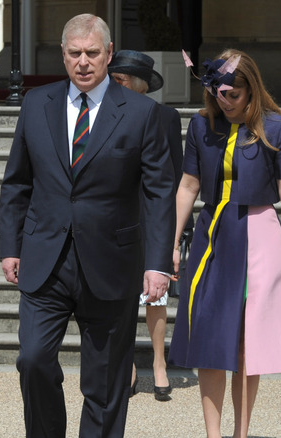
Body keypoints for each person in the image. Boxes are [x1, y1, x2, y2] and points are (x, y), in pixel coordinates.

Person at [0, 14, 176, 437]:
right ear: (63, 54)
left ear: (109, 55)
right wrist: (11, 246)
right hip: (45, 259)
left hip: (112, 262)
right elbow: (17, 181)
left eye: (92, 53)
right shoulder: (36, 104)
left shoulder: (142, 113)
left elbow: (158, 195)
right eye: (74, 53)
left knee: (106, 380)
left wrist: (157, 263)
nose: (83, 62)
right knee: (33, 359)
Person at [167, 49, 281, 438]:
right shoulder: (201, 127)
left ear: (251, 90)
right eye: (219, 92)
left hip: (259, 234)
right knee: (210, 340)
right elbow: (188, 186)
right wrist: (170, 243)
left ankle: (241, 434)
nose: (225, 100)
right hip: (212, 235)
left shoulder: (276, 126)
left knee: (249, 344)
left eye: (233, 93)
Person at [107, 49, 189, 402]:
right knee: (119, 295)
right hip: (113, 217)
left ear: (140, 86)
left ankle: (158, 363)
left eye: (120, 80)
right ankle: (125, 366)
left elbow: (176, 177)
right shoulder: (99, 113)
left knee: (155, 296)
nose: (113, 84)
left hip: (152, 216)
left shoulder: (165, 116)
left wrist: (174, 233)